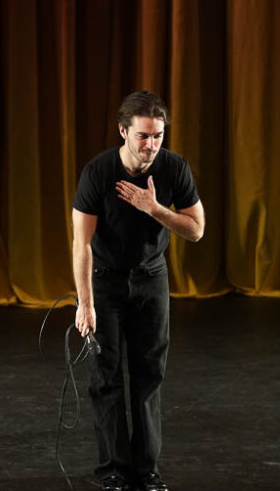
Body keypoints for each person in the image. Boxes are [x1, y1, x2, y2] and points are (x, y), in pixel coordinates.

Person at [72, 90, 205, 491]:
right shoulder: (98, 172)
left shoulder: (174, 168)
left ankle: (146, 471)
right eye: (143, 136)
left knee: (149, 374)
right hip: (105, 280)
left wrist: (155, 208)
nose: (151, 145)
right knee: (105, 376)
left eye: (158, 136)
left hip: (151, 278)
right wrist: (85, 303)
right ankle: (113, 470)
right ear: (123, 131)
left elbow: (196, 230)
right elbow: (81, 244)